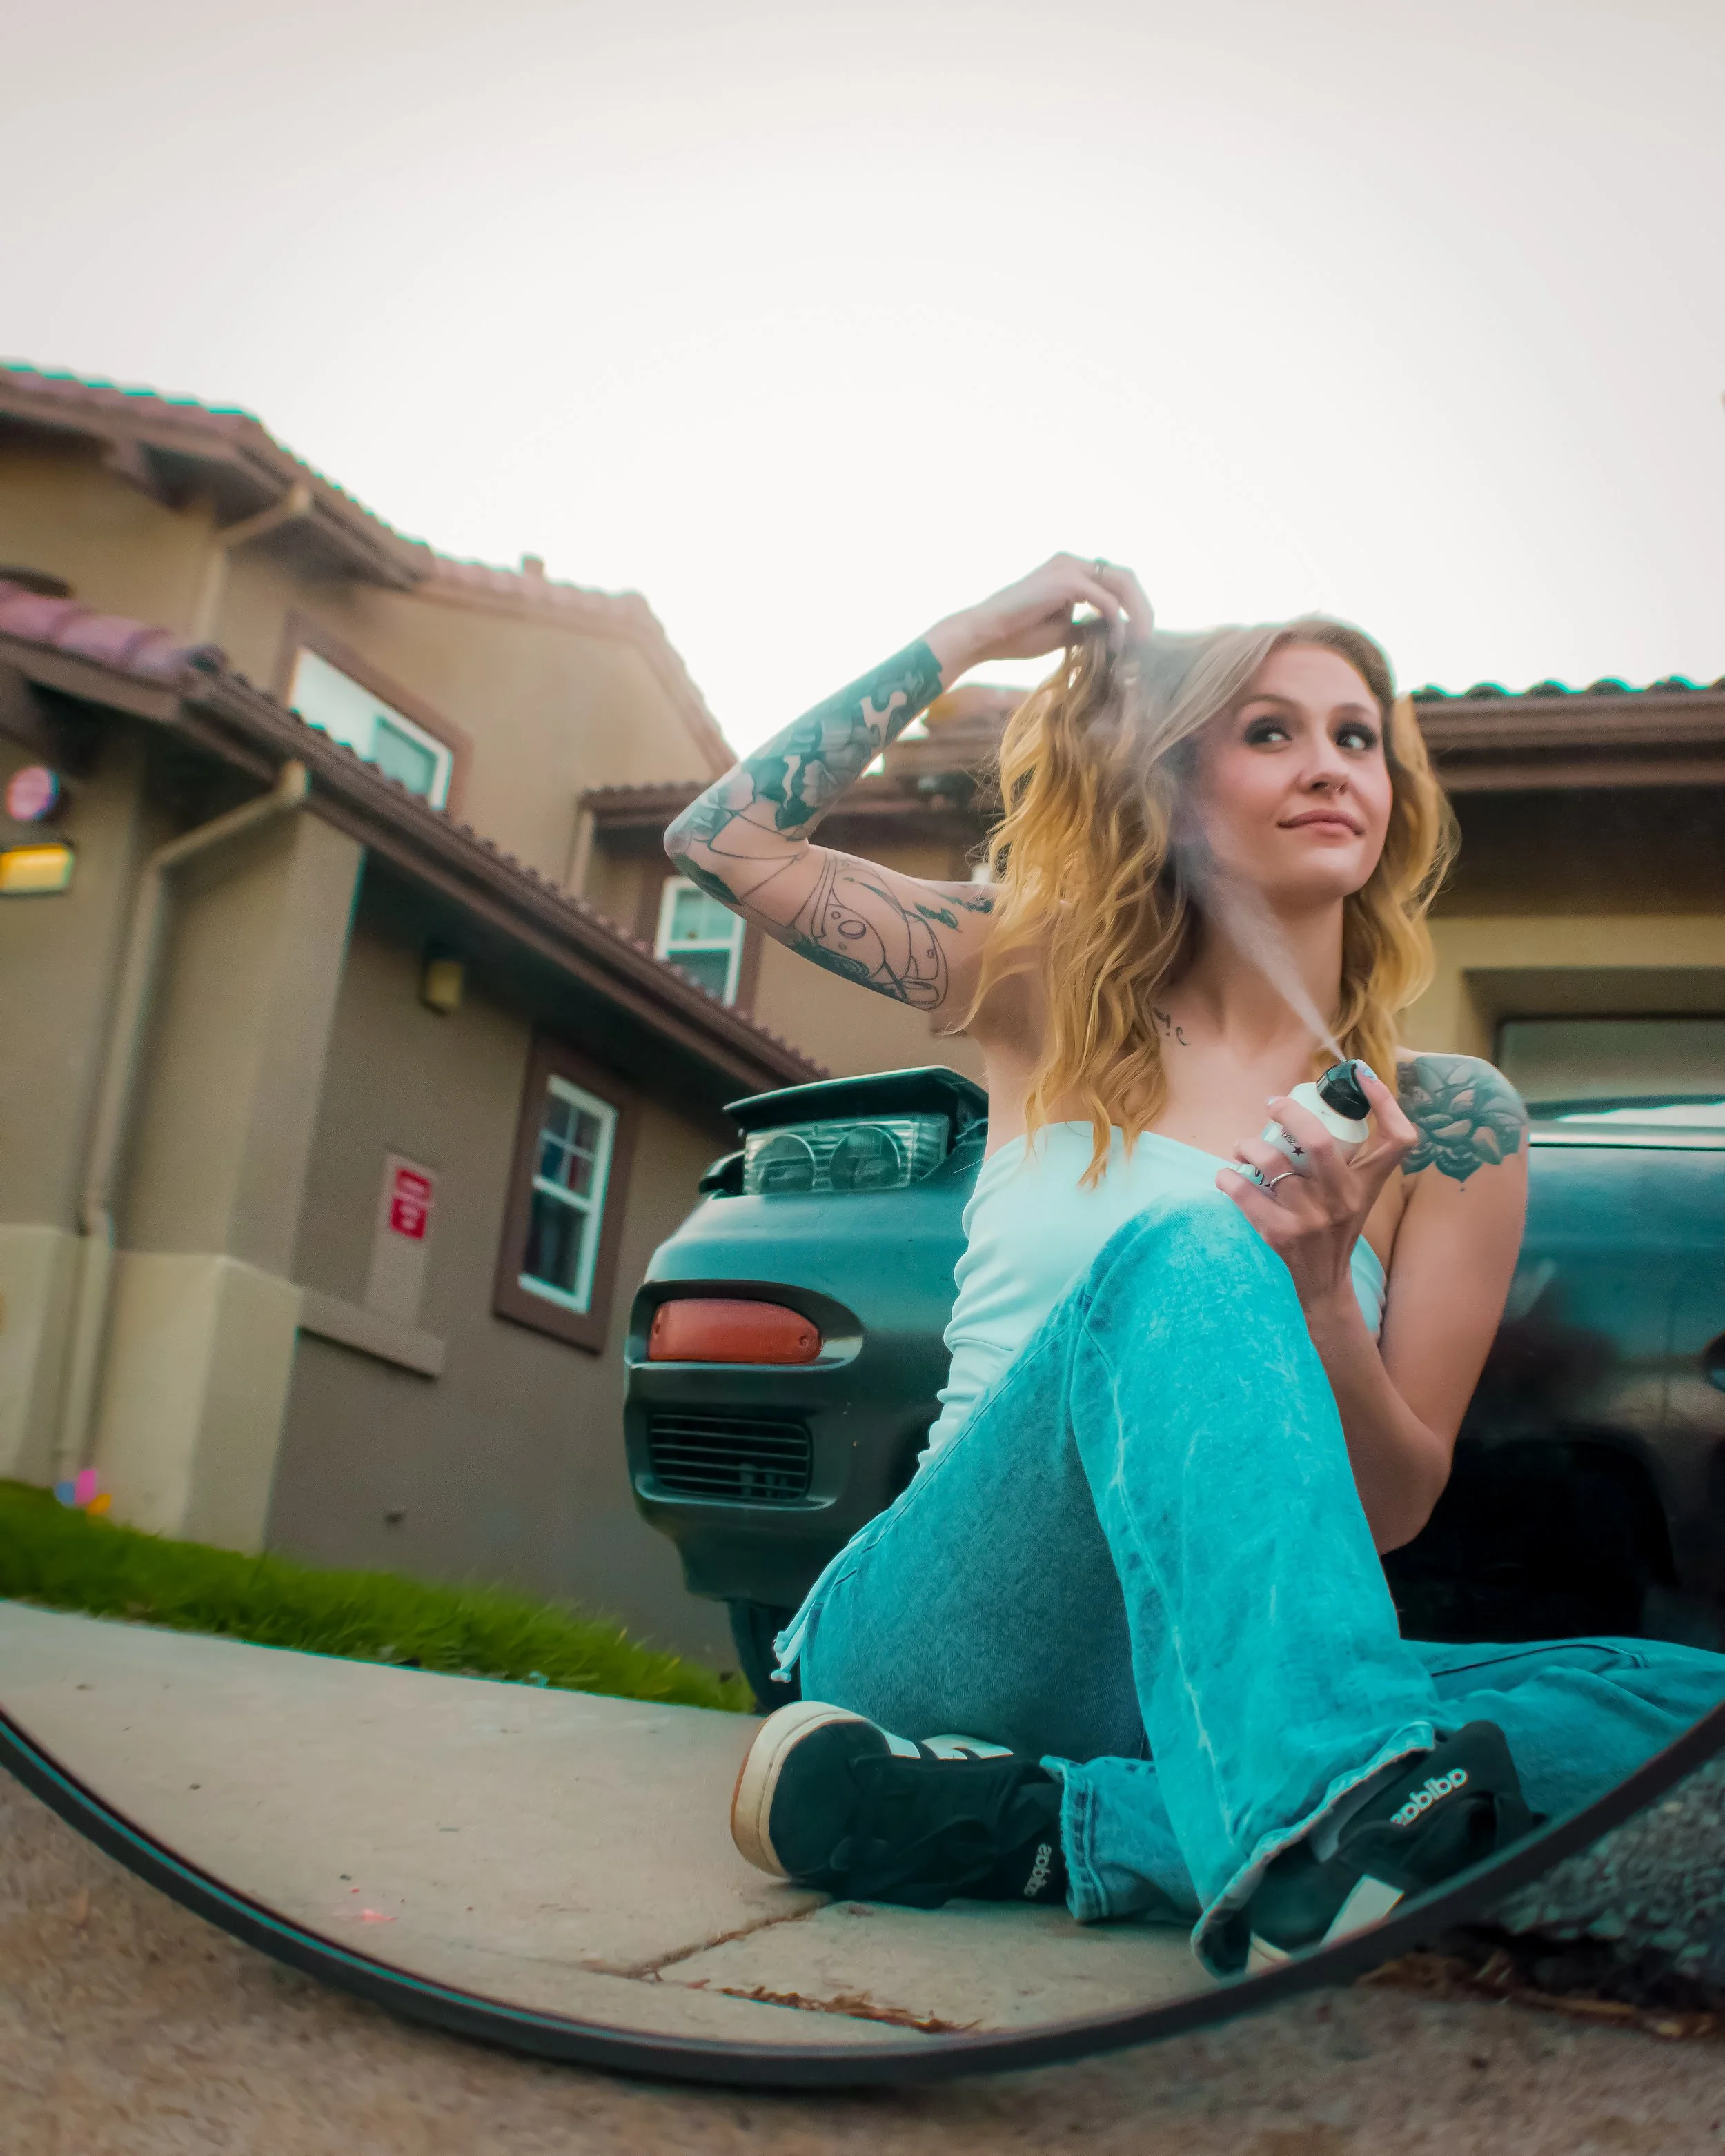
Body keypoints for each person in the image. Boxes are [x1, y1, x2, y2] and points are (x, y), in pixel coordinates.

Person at [663, 556, 1725, 1975]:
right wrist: (979, 637)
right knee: (1186, 1244)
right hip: (956, 1625)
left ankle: (1029, 1819)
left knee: (1678, 1713)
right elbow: (723, 841)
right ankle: (1320, 1811)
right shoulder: (1037, 982)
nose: (1327, 765)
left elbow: (1393, 1508)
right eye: (1268, 730)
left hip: (1229, 1673)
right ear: (1170, 786)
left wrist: (1316, 1284)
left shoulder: (1449, 1123)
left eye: (1356, 736)